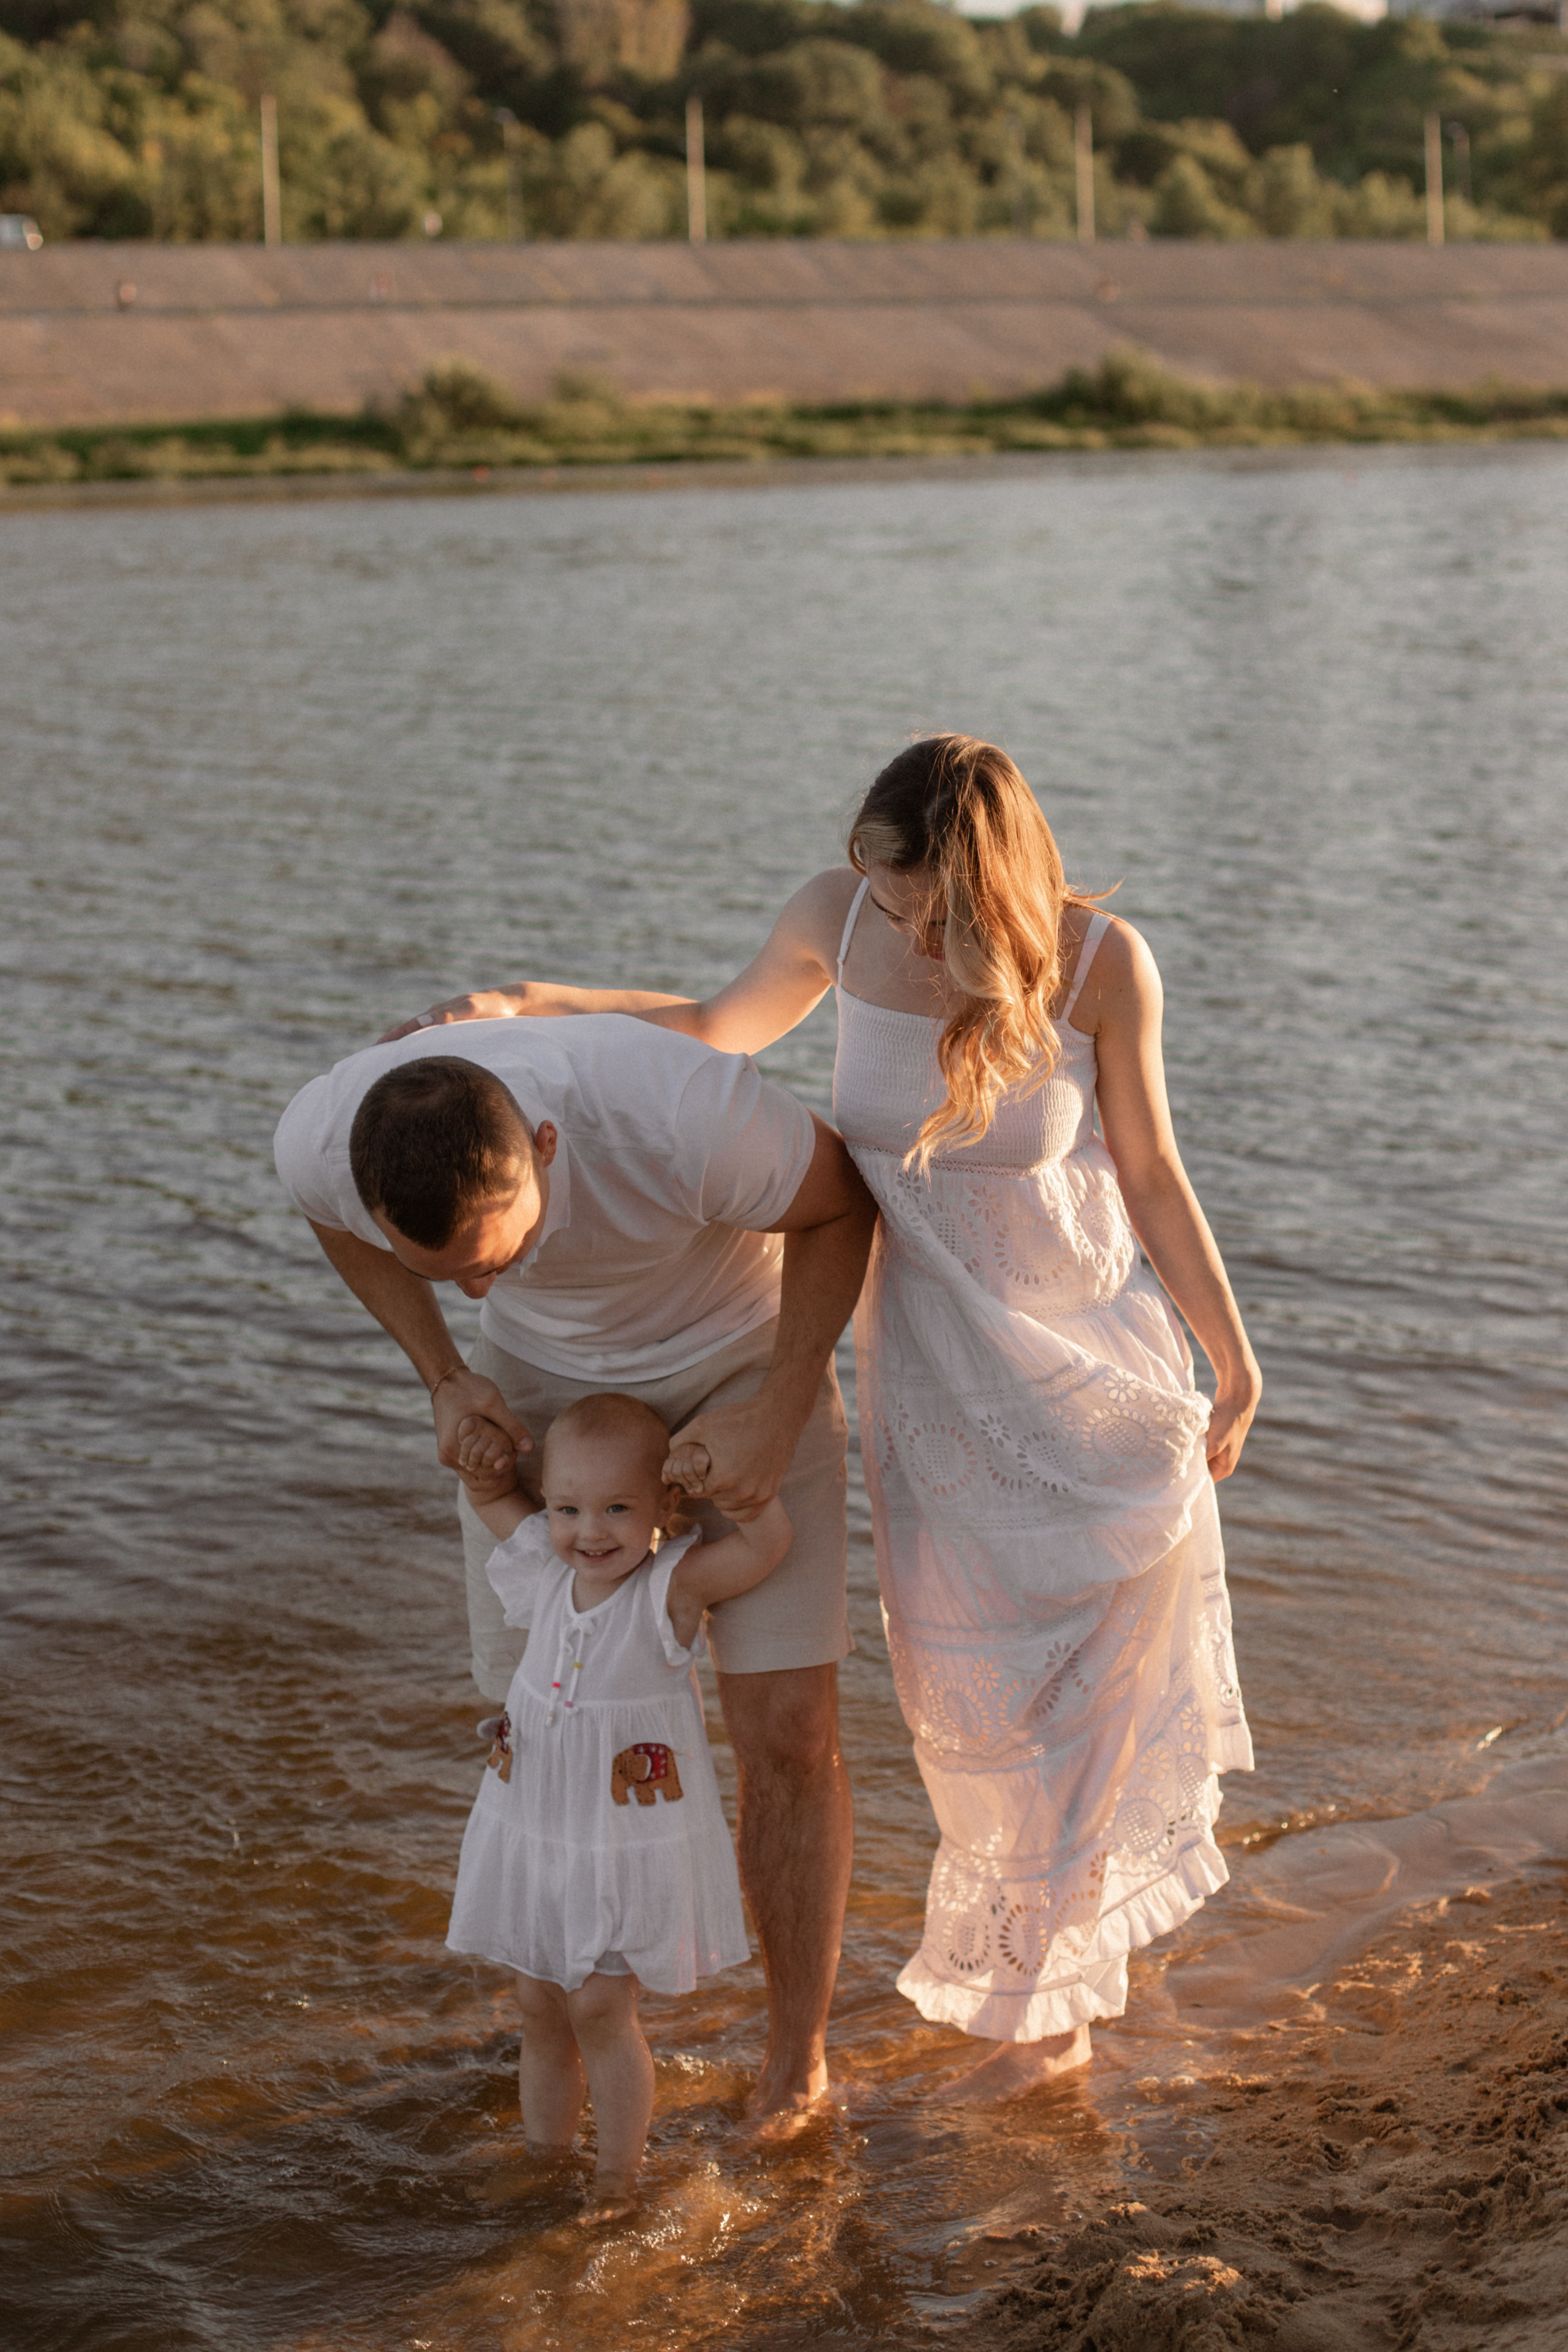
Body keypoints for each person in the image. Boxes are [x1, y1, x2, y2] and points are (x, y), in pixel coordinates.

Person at [389, 733, 1261, 2101]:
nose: (905, 927)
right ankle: (1035, 1975)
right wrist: (534, 1005)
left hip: (1083, 1378)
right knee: (961, 1693)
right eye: (890, 895)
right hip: (925, 1384)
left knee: (1083, 1695)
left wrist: (1230, 1349)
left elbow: (1148, 1169)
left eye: (932, 907)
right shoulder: (838, 920)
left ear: (994, 883)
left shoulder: (1100, 967)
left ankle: (1052, 1996)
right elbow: (713, 1031)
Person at [273, 1016, 876, 2121]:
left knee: (788, 1728)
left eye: (491, 1262)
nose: (471, 1289)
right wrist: (447, 1376)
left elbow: (843, 1199)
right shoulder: (321, 1139)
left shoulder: (679, 1115)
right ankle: (561, 2017)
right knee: (544, 1720)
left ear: (549, 1146)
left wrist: (781, 1410)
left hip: (739, 1361)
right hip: (540, 1388)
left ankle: (797, 2059)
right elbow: (329, 1222)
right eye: (441, 1274)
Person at [448, 1390, 791, 2220]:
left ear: (662, 1509)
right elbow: (493, 1497)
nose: (589, 1531)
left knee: (600, 2004)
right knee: (536, 2000)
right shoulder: (545, 1569)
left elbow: (765, 1549)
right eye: (567, 1507)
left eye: (616, 1508)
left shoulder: (667, 1589)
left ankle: (618, 2175)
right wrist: (484, 1462)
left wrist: (748, 1488)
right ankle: (544, 2155)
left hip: (619, 1839)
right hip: (537, 1826)